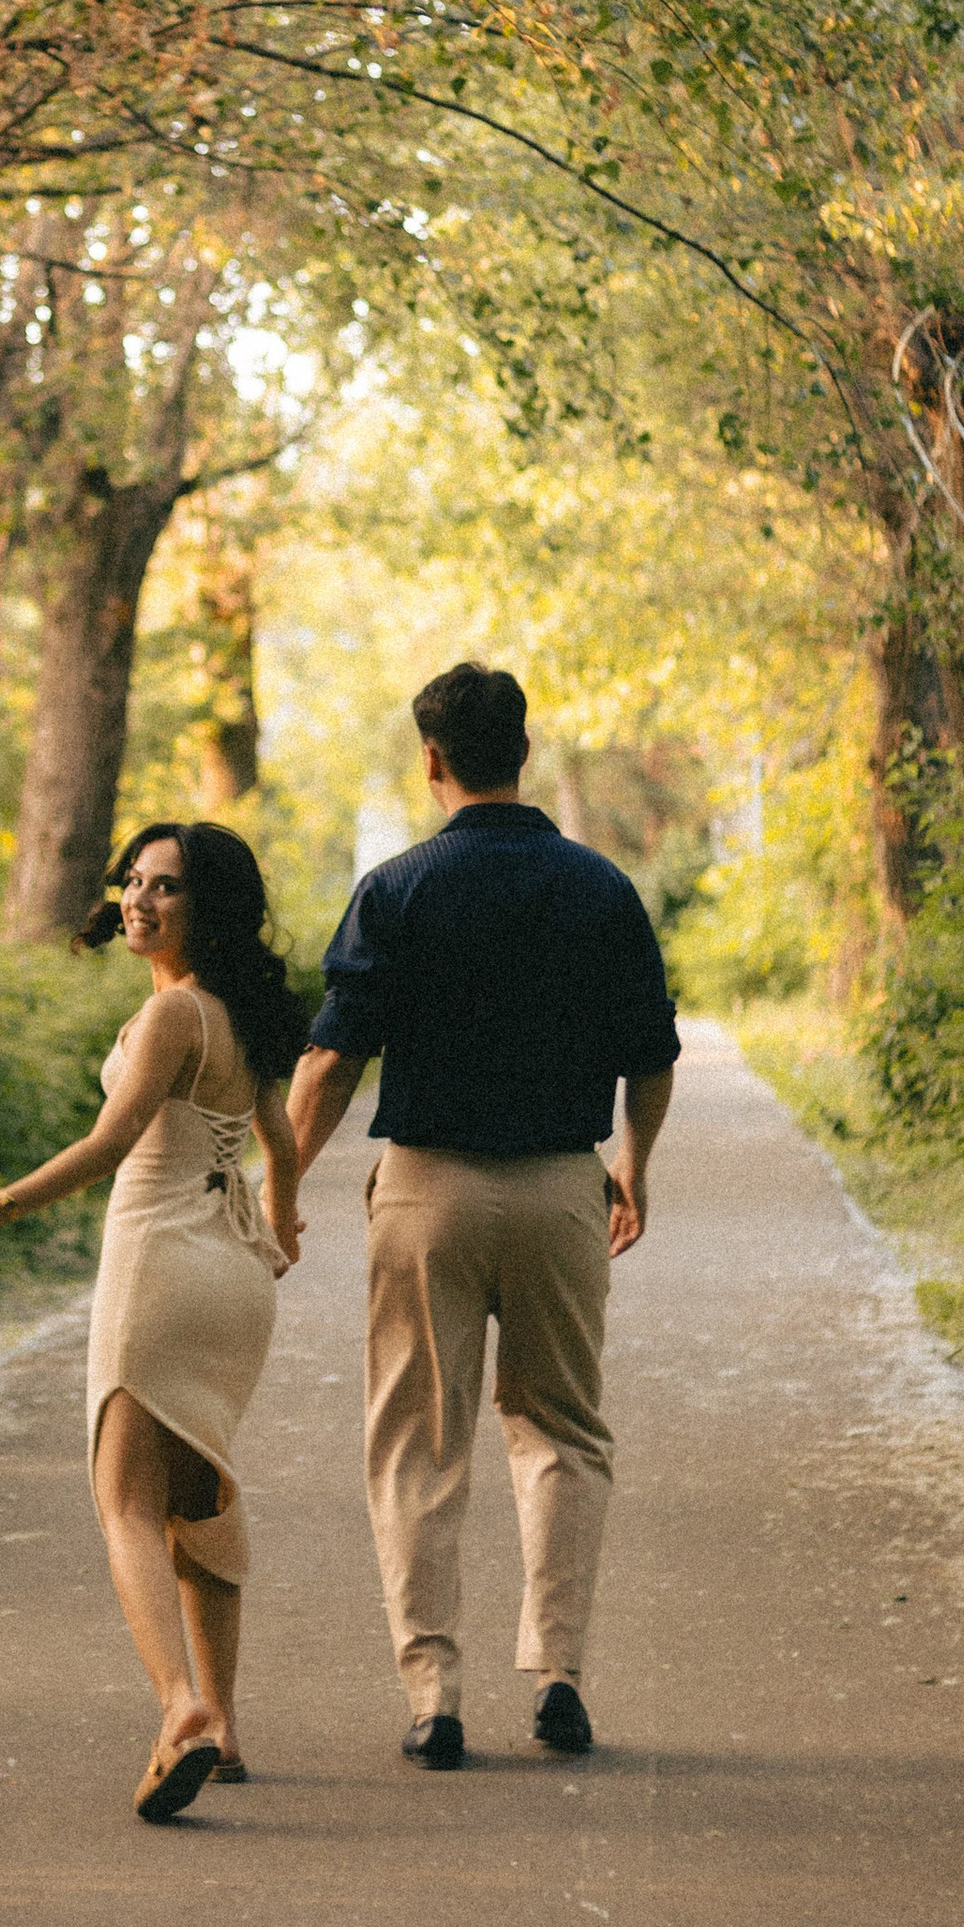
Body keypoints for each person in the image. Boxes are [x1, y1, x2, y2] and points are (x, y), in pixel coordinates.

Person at [286, 662, 680, 1768]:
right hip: (561, 1183)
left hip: (426, 1192)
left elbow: (329, 1061)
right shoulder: (599, 887)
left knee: (418, 1440)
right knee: (560, 1432)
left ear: (431, 759)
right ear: (524, 751)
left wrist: (276, 1185)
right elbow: (651, 1053)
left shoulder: (397, 888)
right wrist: (632, 1167)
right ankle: (557, 1674)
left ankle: (435, 1698)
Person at [0, 820, 307, 1823]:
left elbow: (111, 1144)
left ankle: (180, 1712)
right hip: (231, 1277)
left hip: (160, 1266)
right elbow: (282, 1145)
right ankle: (227, 1722)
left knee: (123, 1502)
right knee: (196, 1498)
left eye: (164, 887)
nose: (137, 899)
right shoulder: (238, 1014)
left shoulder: (173, 1016)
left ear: (206, 908)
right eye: (132, 880)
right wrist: (278, 1229)